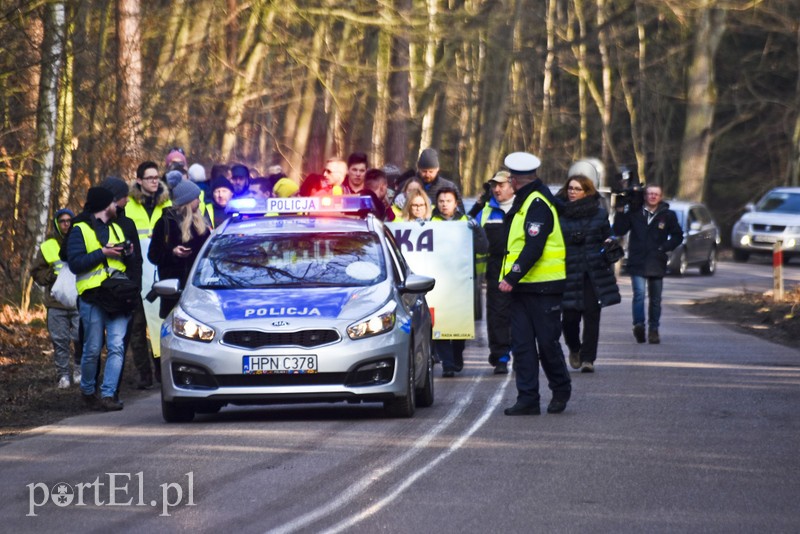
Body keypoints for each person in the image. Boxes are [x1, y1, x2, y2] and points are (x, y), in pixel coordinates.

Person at [499, 151, 571, 415]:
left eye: (510, 177)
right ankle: (528, 398)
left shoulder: (537, 203)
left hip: (544, 288)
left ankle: (561, 390)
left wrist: (511, 276)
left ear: (515, 180)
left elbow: (534, 246)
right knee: (523, 346)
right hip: (523, 289)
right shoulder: (524, 201)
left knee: (547, 344)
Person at [63, 187, 133, 411]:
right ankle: (88, 392)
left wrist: (127, 252)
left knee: (116, 347)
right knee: (92, 348)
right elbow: (75, 264)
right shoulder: (79, 230)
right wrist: (102, 253)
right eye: (113, 202)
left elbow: (125, 262)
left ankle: (109, 395)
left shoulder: (116, 228)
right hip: (92, 296)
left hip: (117, 296)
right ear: (105, 205)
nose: (116, 206)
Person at [556, 173, 621, 373]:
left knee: (592, 316)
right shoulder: (559, 212)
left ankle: (588, 359)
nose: (572, 192)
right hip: (568, 271)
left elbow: (608, 235)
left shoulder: (599, 214)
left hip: (593, 273)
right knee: (569, 319)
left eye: (577, 189)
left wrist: (610, 242)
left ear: (586, 192)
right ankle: (574, 348)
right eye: (570, 188)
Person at [100, 176, 154, 389]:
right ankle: (99, 385)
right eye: (124, 196)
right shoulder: (92, 224)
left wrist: (134, 287)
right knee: (98, 344)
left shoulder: (127, 223)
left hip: (126, 290)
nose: (128, 200)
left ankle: (121, 385)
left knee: (128, 337)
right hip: (98, 291)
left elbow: (137, 259)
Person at [612, 183, 683, 344]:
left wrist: (665, 247)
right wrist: (620, 212)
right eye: (650, 193)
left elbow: (678, 235)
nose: (653, 196)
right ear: (645, 196)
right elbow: (619, 230)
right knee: (639, 294)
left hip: (656, 261)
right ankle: (639, 325)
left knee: (655, 298)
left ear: (660, 197)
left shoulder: (667, 215)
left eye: (656, 194)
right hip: (637, 260)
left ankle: (653, 329)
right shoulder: (635, 213)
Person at [431, 186, 488, 377]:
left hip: (462, 282)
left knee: (459, 324)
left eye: (448, 201)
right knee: (439, 323)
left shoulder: (466, 222)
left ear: (456, 203)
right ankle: (447, 363)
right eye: (441, 201)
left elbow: (483, 248)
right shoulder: (430, 223)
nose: (444, 204)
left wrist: (477, 230)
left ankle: (456, 355)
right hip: (439, 283)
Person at [126, 161, 171, 377]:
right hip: (137, 272)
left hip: (161, 271)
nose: (154, 181)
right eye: (150, 178)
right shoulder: (129, 206)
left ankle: (162, 371)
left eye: (156, 177)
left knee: (161, 323)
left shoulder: (167, 204)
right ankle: (144, 375)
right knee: (137, 326)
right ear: (139, 180)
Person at [31, 208, 81, 388]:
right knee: (60, 341)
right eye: (62, 221)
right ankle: (63, 375)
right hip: (56, 302)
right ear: (57, 224)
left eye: (69, 220)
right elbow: (37, 272)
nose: (66, 224)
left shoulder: (81, 240)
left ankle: (79, 370)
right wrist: (52, 276)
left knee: (80, 338)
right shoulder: (48, 245)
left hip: (78, 301)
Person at [148, 180, 211, 319]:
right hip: (173, 291)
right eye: (196, 198)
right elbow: (153, 255)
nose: (199, 201)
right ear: (187, 201)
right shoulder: (165, 223)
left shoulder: (201, 225)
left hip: (198, 290)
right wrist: (173, 253)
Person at [474, 171, 515, 374]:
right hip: (495, 270)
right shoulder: (486, 211)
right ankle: (500, 357)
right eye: (494, 185)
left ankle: (522, 354)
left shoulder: (523, 208)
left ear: (512, 185)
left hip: (522, 269)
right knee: (497, 315)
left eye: (501, 185)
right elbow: (469, 231)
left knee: (520, 316)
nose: (497, 189)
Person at [415, 147, 464, 212]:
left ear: (437, 169)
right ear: (419, 169)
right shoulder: (410, 186)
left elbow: (460, 212)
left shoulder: (449, 186)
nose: (427, 175)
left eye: (431, 172)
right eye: (424, 171)